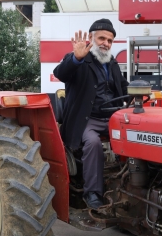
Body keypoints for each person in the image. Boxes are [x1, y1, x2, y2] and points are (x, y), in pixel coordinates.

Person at [53, 19, 128, 210]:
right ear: (91, 38)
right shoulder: (78, 60)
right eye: (102, 38)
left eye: (110, 41)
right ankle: (92, 193)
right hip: (87, 120)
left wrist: (141, 90)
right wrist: (76, 58)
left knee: (138, 137)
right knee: (93, 142)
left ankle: (130, 186)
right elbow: (61, 73)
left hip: (112, 118)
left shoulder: (111, 63)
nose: (106, 43)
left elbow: (122, 87)